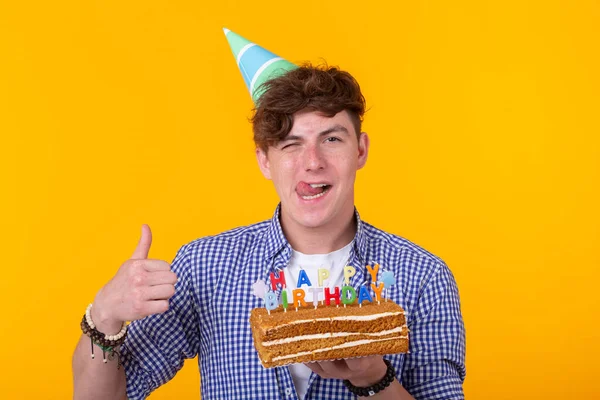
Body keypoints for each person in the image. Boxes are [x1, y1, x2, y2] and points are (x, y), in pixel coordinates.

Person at [72, 30, 466, 400]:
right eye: (291, 144)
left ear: (360, 150)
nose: (312, 163)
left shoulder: (423, 277)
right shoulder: (205, 267)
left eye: (331, 139)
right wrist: (104, 314)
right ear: (264, 160)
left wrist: (372, 377)